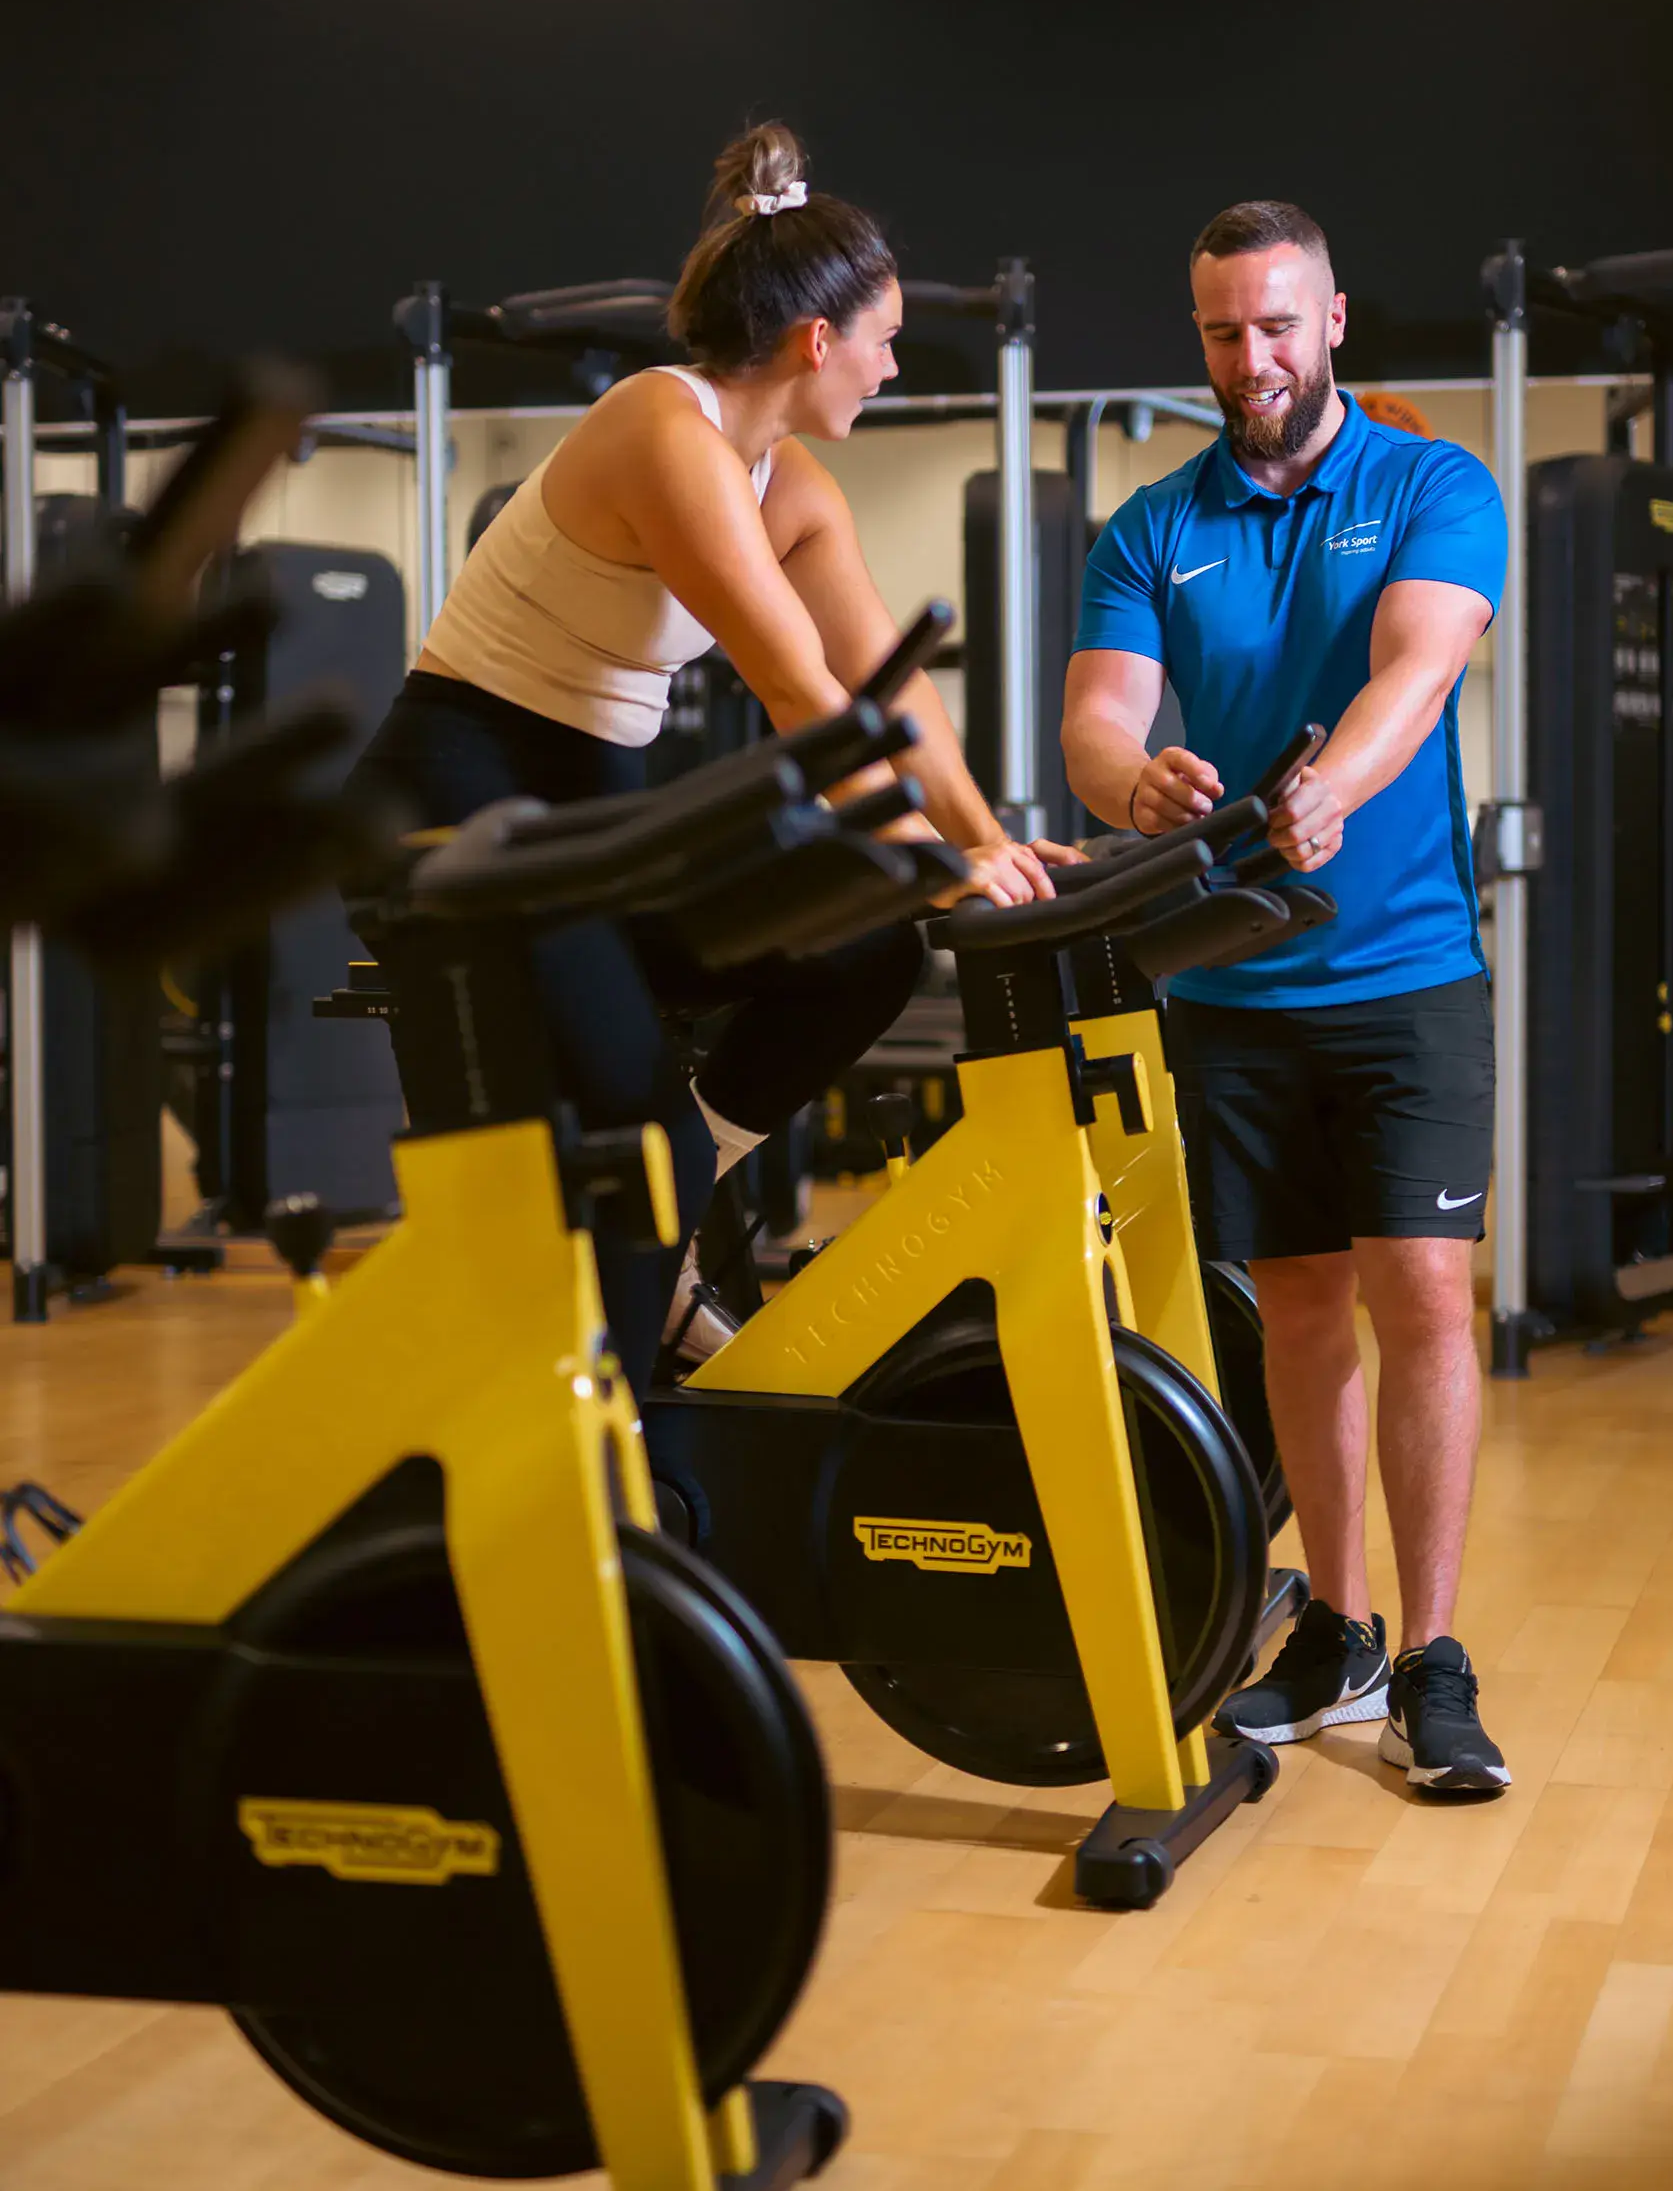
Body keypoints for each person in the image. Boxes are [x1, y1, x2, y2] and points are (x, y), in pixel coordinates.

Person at [355, 120, 1078, 1403]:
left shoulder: (787, 482)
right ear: (816, 342)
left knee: (861, 945)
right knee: (636, 1129)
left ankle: (667, 1221)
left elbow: (885, 687)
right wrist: (936, 853)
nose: (894, 363)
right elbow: (801, 688)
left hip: (592, 820)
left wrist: (985, 841)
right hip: (457, 807)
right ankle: (613, 1461)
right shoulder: (662, 431)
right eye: (884, 338)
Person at [1063, 199, 1509, 1797]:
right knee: (1302, 1314)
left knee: (1426, 1297)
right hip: (1238, 990)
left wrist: (1332, 786)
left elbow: (1415, 671)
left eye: (1274, 326)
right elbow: (1100, 723)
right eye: (1219, 332)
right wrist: (1133, 790)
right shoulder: (1152, 526)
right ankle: (1337, 1626)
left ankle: (1436, 1661)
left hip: (1407, 977)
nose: (1247, 359)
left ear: (1333, 323)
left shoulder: (1431, 484)